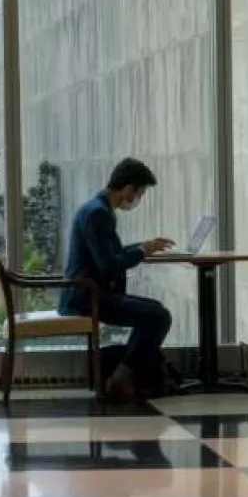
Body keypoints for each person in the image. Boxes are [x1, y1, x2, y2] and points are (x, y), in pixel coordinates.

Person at [60, 157, 175, 400]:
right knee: (158, 316)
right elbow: (109, 265)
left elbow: (110, 255)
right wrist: (141, 252)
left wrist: (144, 247)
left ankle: (127, 372)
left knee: (155, 311)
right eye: (140, 193)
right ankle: (121, 378)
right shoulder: (99, 214)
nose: (138, 200)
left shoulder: (96, 208)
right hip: (87, 297)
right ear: (129, 189)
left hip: (89, 293)